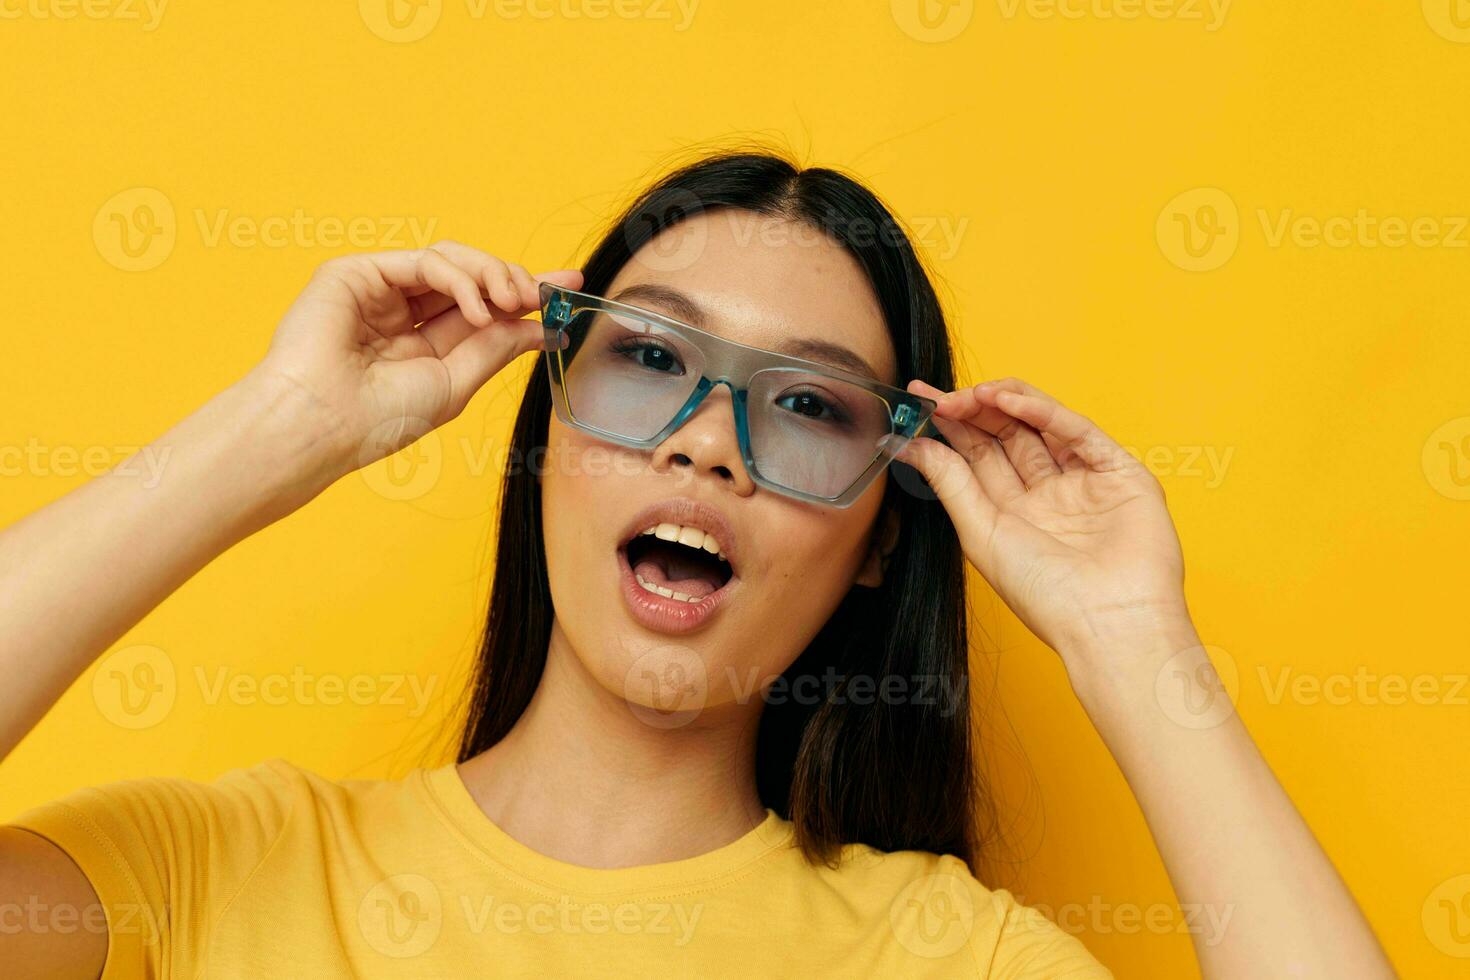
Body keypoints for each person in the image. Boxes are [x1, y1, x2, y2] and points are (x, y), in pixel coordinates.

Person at [0, 151, 1393, 977]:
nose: (707, 447)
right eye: (650, 358)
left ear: (872, 547)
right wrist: (278, 430)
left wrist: (1127, 637)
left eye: (806, 405)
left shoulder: (945, 959)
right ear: (546, 432)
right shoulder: (219, 871)